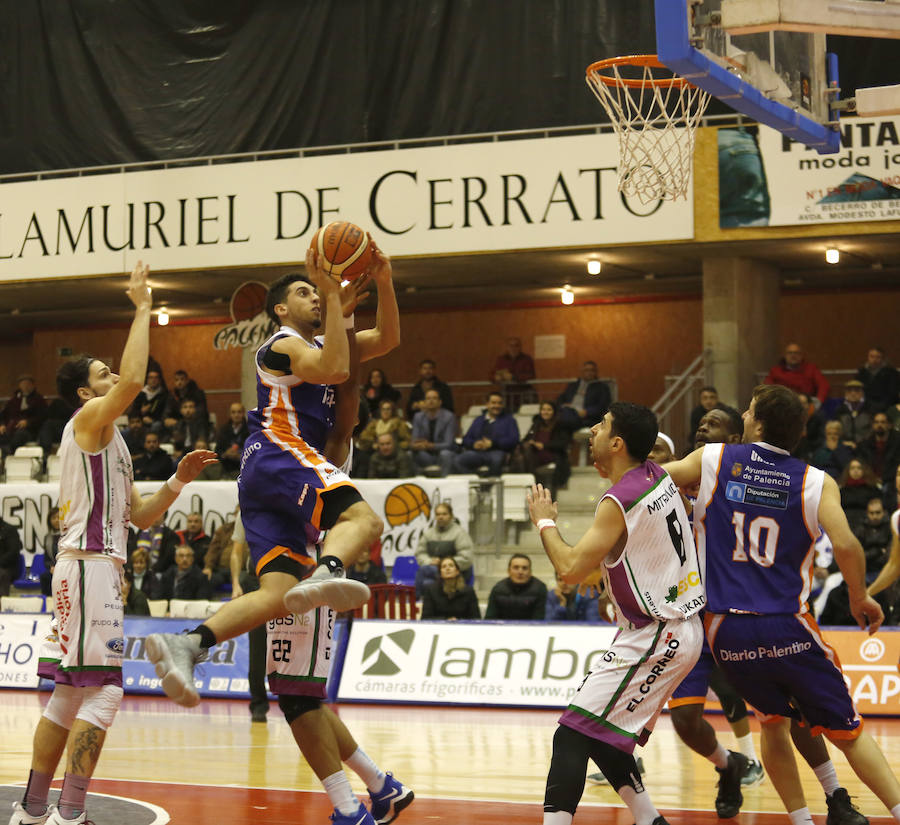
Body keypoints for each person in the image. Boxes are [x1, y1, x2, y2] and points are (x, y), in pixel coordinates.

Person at [145, 242, 401, 713]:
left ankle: (188, 643)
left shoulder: (322, 343)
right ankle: (327, 572)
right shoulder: (281, 345)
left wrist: (383, 281)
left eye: (316, 292)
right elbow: (335, 368)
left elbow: (385, 339)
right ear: (281, 309)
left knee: (278, 594)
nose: (315, 297)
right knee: (364, 522)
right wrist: (331, 291)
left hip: (265, 477)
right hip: (279, 452)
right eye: (305, 292)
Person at [8, 261, 216, 825]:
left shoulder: (113, 441)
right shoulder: (89, 421)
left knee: (70, 693)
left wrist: (178, 480)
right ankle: (70, 812)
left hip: (94, 567)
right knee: (104, 691)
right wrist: (144, 308)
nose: (116, 376)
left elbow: (140, 517)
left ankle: (34, 809)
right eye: (104, 373)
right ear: (86, 391)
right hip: (88, 567)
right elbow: (132, 383)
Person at [664, 383, 900, 825]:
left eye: (749, 410)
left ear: (756, 424)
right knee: (847, 731)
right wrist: (859, 595)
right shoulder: (815, 481)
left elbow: (654, 480)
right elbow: (847, 545)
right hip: (787, 625)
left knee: (772, 721)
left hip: (726, 630)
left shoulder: (714, 459)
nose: (744, 414)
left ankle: (802, 820)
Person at [526, 401, 706, 825]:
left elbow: (569, 570)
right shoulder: (656, 474)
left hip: (659, 634)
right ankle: (650, 819)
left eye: (602, 425)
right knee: (601, 733)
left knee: (571, 733)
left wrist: (545, 523)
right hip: (668, 628)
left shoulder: (619, 499)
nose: (592, 429)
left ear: (617, 443)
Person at [414, 501, 474, 596]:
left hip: (457, 573)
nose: (440, 517)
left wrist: (445, 564)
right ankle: (418, 601)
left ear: (451, 516)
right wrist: (429, 561)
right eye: (438, 514)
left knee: (423, 572)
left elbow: (466, 557)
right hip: (435, 571)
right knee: (425, 579)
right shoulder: (428, 534)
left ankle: (416, 599)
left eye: (444, 514)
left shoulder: (460, 533)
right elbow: (420, 553)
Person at [453, 391, 519, 476]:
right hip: (477, 452)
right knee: (458, 460)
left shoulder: (510, 420)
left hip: (498, 451)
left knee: (497, 460)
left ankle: (491, 483)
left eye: (499, 403)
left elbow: (514, 440)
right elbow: (466, 439)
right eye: (493, 403)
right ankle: (475, 480)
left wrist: (493, 443)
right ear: (487, 404)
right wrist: (474, 444)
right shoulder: (478, 420)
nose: (497, 406)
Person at [519, 400, 572, 495]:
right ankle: (531, 484)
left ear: (554, 412)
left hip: (553, 454)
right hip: (535, 453)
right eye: (543, 409)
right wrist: (530, 442)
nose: (545, 412)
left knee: (522, 458)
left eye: (549, 410)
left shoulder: (560, 425)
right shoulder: (536, 424)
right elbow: (526, 439)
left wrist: (543, 445)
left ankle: (531, 484)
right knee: (523, 454)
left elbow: (563, 443)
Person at [355, 399, 411, 477]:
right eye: (383, 409)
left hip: (394, 453)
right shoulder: (374, 424)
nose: (385, 412)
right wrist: (373, 444)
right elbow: (363, 438)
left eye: (388, 409)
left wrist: (393, 445)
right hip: (373, 452)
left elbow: (407, 441)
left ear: (392, 411)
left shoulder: (399, 424)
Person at [409, 389, 457, 477]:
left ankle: (444, 481)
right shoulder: (418, 417)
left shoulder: (449, 417)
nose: (431, 401)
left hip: (442, 454)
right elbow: (414, 440)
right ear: (424, 402)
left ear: (440, 402)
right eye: (428, 398)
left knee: (445, 454)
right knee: (409, 454)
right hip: (425, 454)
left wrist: (430, 445)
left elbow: (449, 444)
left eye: (434, 398)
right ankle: (418, 481)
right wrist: (416, 445)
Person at [484, 554, 547, 620]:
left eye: (524, 568)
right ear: (508, 571)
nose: (520, 572)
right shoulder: (498, 589)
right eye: (516, 568)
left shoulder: (540, 589)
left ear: (530, 571)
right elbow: (490, 619)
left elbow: (540, 619)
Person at [764, 343, 829, 406]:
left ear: (802, 355)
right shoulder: (775, 371)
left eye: (796, 353)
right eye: (790, 353)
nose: (793, 355)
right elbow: (767, 386)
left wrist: (817, 401)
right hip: (782, 404)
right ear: (785, 355)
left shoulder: (811, 369)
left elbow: (823, 385)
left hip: (806, 404)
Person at [556, 361, 611, 433]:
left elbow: (603, 405)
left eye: (592, 370)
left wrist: (587, 412)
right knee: (563, 415)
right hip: (569, 411)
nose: (589, 373)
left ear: (595, 372)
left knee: (563, 422)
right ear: (582, 372)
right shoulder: (573, 385)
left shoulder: (602, 387)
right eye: (586, 370)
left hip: (585, 416)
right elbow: (561, 398)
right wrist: (563, 405)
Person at [0, 374, 48, 457]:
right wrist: (2, 424)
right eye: (23, 384)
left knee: (18, 437)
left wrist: (28, 422)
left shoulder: (39, 399)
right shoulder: (14, 400)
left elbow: (42, 417)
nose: (25, 386)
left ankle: (10, 457)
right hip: (10, 428)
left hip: (29, 431)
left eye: (27, 384)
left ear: (32, 385)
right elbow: (4, 414)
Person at [491, 336, 536, 411]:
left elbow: (531, 375)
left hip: (523, 393)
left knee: (525, 414)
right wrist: (496, 378)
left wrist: (513, 377)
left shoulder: (527, 359)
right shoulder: (501, 359)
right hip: (507, 394)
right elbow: (492, 374)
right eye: (511, 345)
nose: (513, 348)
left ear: (520, 347)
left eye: (516, 345)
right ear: (507, 347)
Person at [858, 411, 900, 486]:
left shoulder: (897, 443)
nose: (879, 425)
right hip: (870, 482)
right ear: (872, 425)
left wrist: (883, 479)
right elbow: (864, 464)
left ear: (889, 425)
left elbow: (896, 465)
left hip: (892, 481)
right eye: (876, 422)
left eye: (883, 422)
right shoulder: (865, 444)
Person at [839, 459, 882, 531]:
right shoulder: (841, 490)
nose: (855, 470)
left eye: (859, 468)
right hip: (845, 523)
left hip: (868, 524)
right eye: (852, 468)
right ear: (848, 471)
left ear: (864, 470)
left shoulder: (873, 489)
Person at [856, 347, 899, 413]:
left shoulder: (892, 373)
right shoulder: (861, 372)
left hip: (887, 406)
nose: (874, 359)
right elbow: (858, 390)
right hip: (865, 406)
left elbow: (893, 393)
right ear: (868, 357)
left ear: (883, 358)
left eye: (878, 357)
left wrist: (882, 405)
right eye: (872, 356)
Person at [834, 379, 873, 449]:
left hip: (866, 446)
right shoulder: (840, 410)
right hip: (844, 445)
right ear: (845, 393)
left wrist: (863, 442)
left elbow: (872, 429)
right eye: (849, 391)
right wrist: (843, 442)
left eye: (856, 391)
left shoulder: (869, 408)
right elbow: (836, 430)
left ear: (862, 393)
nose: (853, 393)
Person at [215, 402, 249, 479]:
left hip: (243, 469)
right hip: (225, 467)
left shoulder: (250, 430)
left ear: (243, 413)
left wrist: (240, 456)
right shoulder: (223, 430)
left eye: (239, 412)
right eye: (233, 412)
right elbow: (217, 451)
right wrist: (225, 454)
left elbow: (254, 453)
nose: (236, 415)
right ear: (229, 414)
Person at [130, 367, 168, 432]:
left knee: (156, 425)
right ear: (147, 380)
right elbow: (134, 411)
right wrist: (141, 412)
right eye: (151, 378)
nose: (153, 380)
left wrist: (152, 420)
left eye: (156, 378)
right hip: (140, 422)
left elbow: (165, 413)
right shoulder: (140, 394)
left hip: (156, 423)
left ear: (159, 380)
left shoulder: (164, 395)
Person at [39, 507, 61, 598]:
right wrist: (51, 567)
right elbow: (46, 559)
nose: (56, 520)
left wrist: (60, 568)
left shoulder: (69, 534)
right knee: (45, 577)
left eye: (59, 517)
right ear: (49, 521)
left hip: (67, 567)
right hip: (53, 569)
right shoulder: (47, 537)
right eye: (53, 518)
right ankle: (48, 602)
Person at [0, 512, 22, 598]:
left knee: (2, 574)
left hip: (8, 567)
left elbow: (13, 552)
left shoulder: (9, 530)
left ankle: (2, 603)